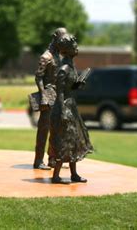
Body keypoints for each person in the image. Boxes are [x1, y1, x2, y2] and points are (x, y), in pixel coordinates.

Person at [50, 34, 93, 184]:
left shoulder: (71, 67)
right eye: (74, 46)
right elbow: (59, 92)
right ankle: (55, 176)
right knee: (64, 141)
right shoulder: (63, 69)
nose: (77, 48)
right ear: (67, 50)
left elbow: (69, 87)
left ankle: (74, 174)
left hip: (71, 106)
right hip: (63, 107)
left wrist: (77, 85)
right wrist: (63, 112)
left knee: (74, 139)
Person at [33, 27, 68, 170]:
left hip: (57, 96)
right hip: (48, 96)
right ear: (55, 38)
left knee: (56, 130)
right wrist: (42, 96)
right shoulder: (45, 57)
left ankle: (52, 159)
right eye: (61, 40)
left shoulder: (58, 57)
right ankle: (38, 161)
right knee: (43, 130)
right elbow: (38, 77)